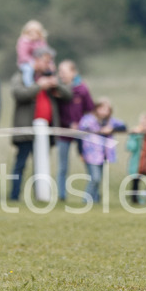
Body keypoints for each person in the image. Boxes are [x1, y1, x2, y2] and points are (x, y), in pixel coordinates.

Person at [8, 47, 70, 201]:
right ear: (36, 59)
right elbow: (18, 94)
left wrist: (56, 84)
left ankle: (40, 196)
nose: (49, 64)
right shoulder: (23, 74)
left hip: (46, 129)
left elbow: (69, 95)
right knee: (21, 163)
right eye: (46, 60)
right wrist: (39, 86)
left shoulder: (50, 78)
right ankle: (14, 197)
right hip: (27, 128)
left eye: (50, 61)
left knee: (41, 165)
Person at [54, 59, 95, 202]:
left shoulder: (82, 89)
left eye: (64, 72)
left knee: (89, 163)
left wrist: (82, 124)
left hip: (81, 133)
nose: (61, 75)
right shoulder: (57, 89)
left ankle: (91, 195)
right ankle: (61, 196)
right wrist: (67, 124)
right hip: (63, 132)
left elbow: (90, 109)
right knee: (62, 166)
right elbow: (56, 112)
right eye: (60, 72)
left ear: (73, 72)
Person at [78, 97, 127, 204]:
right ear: (97, 108)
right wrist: (80, 152)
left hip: (104, 154)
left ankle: (95, 200)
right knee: (95, 178)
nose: (104, 112)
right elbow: (80, 135)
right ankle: (86, 201)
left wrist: (111, 129)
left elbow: (124, 126)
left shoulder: (110, 121)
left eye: (107, 109)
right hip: (90, 154)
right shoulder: (88, 119)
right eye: (102, 108)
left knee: (98, 179)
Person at [15, 20, 50, 86]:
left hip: (39, 62)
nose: (33, 35)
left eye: (36, 33)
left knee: (49, 68)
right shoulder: (24, 42)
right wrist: (32, 62)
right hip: (26, 63)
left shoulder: (41, 42)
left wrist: (48, 63)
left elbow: (46, 53)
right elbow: (23, 55)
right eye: (30, 33)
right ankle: (29, 85)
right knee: (28, 70)